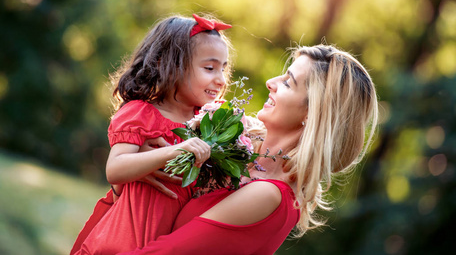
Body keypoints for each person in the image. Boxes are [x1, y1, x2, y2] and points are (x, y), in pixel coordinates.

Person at [120, 44, 379, 255]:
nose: (270, 82)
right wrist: (142, 165)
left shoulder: (269, 194)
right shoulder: (242, 151)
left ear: (314, 114)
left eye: (288, 83)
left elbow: (166, 252)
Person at [70, 13, 233, 254]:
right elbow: (115, 169)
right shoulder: (142, 113)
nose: (220, 80)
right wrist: (173, 151)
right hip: (123, 241)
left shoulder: (210, 123)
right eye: (209, 68)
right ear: (168, 64)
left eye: (223, 69)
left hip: (168, 244)